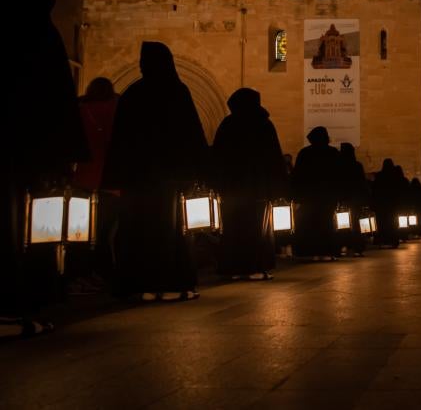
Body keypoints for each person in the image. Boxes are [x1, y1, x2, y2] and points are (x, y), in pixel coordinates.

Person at [1, 0, 88, 338]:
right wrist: (63, 154)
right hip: (26, 150)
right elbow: (55, 96)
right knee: (19, 229)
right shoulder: (40, 34)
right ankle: (12, 309)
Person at [103, 41, 207, 302]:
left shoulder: (132, 94)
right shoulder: (177, 91)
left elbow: (120, 140)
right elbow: (192, 135)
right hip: (169, 178)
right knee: (170, 229)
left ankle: (141, 285)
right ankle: (171, 283)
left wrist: (117, 175)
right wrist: (199, 171)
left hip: (138, 179)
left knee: (138, 230)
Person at [213, 88, 287, 280]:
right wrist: (278, 186)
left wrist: (217, 183)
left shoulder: (228, 124)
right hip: (257, 189)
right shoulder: (264, 125)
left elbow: (217, 157)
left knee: (233, 228)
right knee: (257, 228)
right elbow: (274, 158)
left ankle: (234, 268)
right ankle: (255, 267)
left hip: (232, 189)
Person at [71, 77, 120, 288]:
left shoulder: (81, 110)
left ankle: (83, 274)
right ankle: (106, 273)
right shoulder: (117, 109)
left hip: (84, 179)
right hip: (111, 181)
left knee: (82, 231)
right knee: (105, 232)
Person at [291, 127, 341, 259]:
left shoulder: (305, 153)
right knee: (326, 223)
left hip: (309, 196)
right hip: (327, 196)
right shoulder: (333, 152)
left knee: (310, 224)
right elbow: (338, 176)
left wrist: (296, 196)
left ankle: (310, 252)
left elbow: (298, 176)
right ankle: (327, 251)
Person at [338, 143, 369, 255]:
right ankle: (357, 248)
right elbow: (362, 183)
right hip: (355, 199)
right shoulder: (357, 165)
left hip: (343, 199)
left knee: (342, 224)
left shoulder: (338, 165)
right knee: (356, 224)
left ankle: (343, 246)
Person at [372, 159, 401, 247]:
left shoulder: (379, 175)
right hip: (392, 204)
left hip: (382, 203)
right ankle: (393, 240)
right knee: (392, 222)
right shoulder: (395, 176)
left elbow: (375, 189)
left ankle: (383, 240)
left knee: (382, 222)